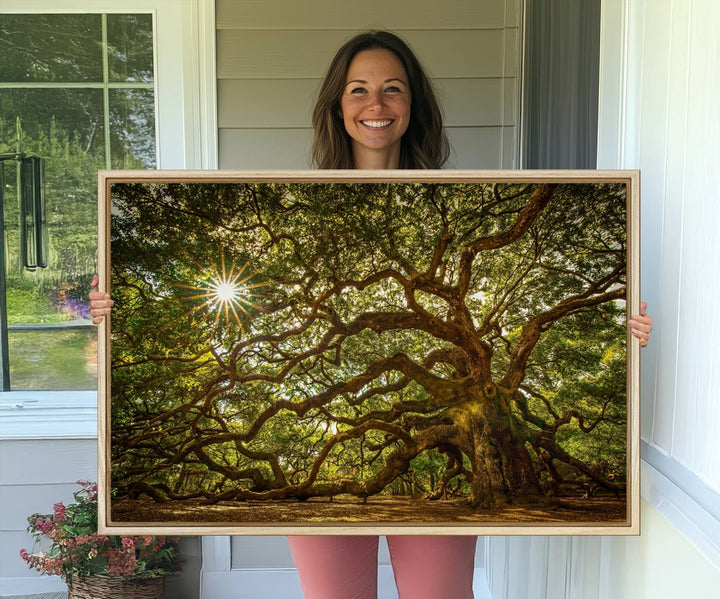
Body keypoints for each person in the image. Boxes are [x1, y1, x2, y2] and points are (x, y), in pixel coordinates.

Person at [89, 30, 653, 599]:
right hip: (330, 445)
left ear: (413, 105)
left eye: (393, 89)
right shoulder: (298, 206)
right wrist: (116, 313)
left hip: (432, 435)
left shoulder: (464, 204)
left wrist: (622, 327)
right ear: (338, 105)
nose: (376, 105)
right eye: (358, 90)